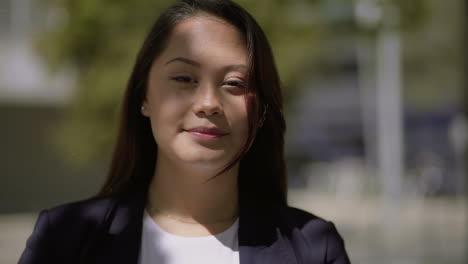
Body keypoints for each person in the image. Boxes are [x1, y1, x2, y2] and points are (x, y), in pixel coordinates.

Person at [19, 0, 350, 263]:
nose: (208, 103)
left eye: (234, 83)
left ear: (261, 112)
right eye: (184, 78)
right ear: (143, 96)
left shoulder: (312, 248)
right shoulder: (66, 238)